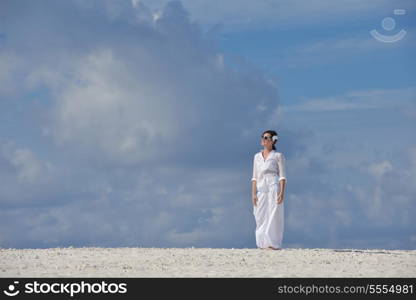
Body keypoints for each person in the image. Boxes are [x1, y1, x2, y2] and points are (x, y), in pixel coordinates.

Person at [251, 130, 287, 250]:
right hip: (261, 190)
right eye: (263, 137)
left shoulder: (278, 156)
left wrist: (281, 192)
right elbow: (254, 177)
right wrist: (253, 193)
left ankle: (273, 244)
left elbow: (282, 176)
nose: (263, 139)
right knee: (259, 215)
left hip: (273, 188)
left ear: (273, 140)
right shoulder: (257, 157)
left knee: (273, 215)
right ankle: (261, 243)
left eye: (266, 138)